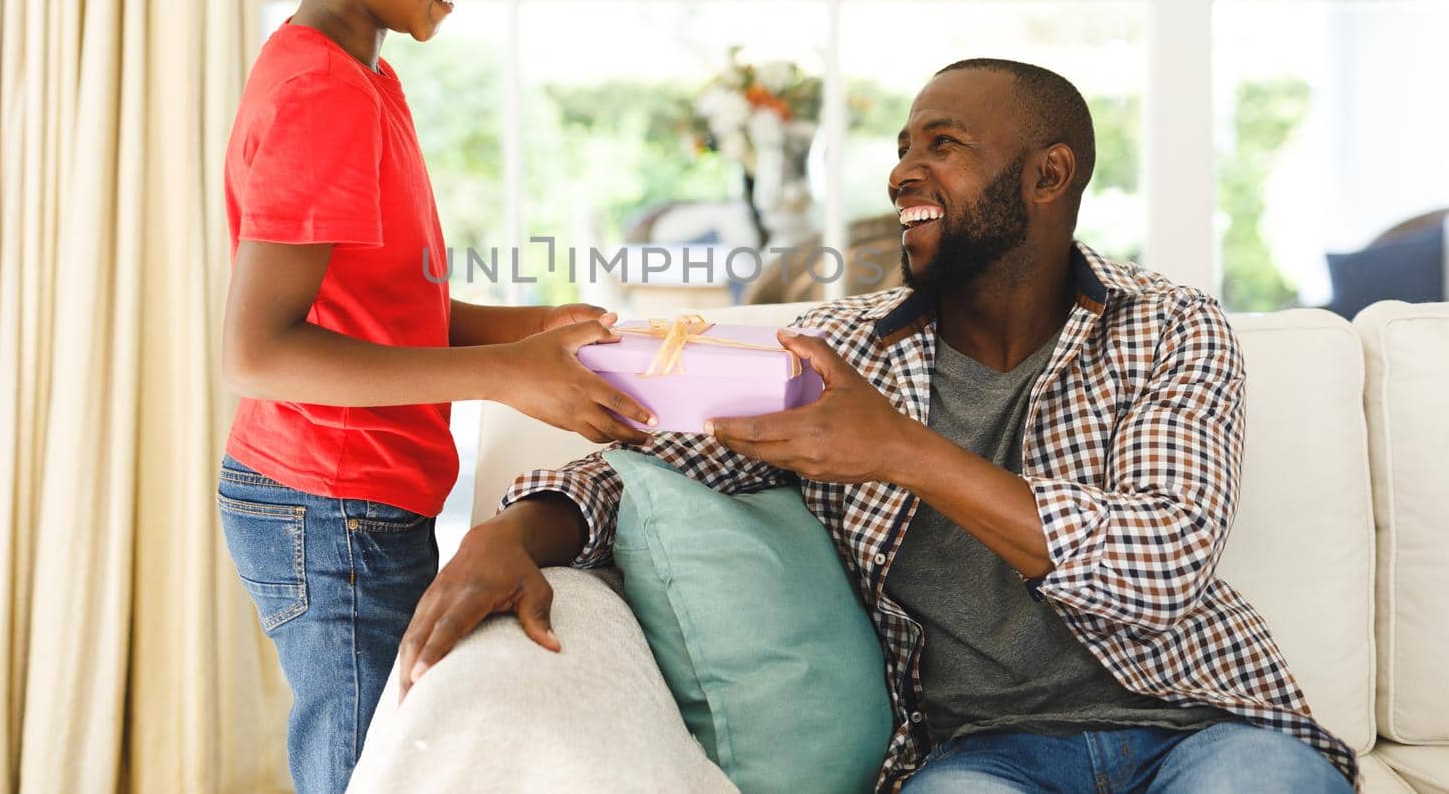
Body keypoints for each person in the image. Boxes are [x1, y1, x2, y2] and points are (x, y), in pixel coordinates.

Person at [399, 59, 1359, 793]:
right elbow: (646, 461)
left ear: (1048, 174)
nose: (904, 168)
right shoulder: (833, 350)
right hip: (982, 755)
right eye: (904, 144)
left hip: (1202, 726)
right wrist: (510, 531)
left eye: (942, 144)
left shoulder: (1168, 325)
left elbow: (1162, 561)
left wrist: (897, 449)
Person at [216, 0, 652, 794]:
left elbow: (384, 313)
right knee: (369, 764)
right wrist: (507, 371)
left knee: (389, 751)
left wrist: (534, 327)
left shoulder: (360, 75)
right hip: (328, 503)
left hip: (352, 493)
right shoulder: (322, 92)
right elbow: (258, 348)